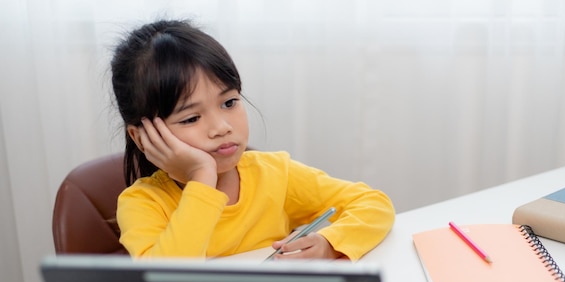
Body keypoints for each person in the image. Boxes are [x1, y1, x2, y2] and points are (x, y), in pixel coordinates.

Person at [111, 19, 394, 260]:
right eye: (191, 118)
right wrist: (202, 176)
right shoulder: (143, 203)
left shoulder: (274, 174)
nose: (221, 127)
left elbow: (373, 204)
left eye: (229, 102)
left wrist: (330, 244)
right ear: (141, 136)